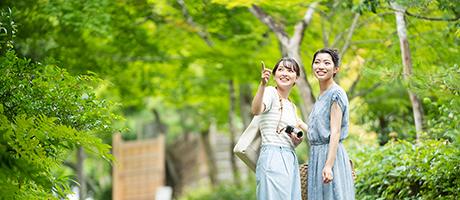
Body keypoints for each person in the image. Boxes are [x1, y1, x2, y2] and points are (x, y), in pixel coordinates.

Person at [251, 58, 308, 200]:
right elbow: (256, 110)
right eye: (280, 70)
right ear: (274, 75)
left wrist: (296, 142)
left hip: (290, 157)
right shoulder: (270, 93)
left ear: (297, 78)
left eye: (290, 70)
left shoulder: (291, 106)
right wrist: (263, 84)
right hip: (273, 155)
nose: (284, 73)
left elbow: (310, 130)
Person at [306, 48, 355, 199]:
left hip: (330, 157)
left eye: (326, 63)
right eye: (317, 62)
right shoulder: (321, 95)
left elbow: (335, 132)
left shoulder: (335, 93)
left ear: (335, 69)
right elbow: (321, 130)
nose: (320, 66)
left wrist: (328, 165)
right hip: (316, 157)